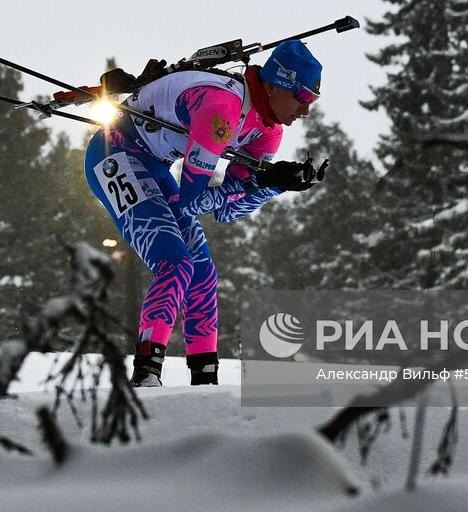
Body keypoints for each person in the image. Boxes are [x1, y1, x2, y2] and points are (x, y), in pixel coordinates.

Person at [83, 38, 327, 387]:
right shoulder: (221, 108)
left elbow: (229, 211)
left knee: (202, 274)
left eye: (312, 102)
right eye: (302, 98)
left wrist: (272, 185)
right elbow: (192, 201)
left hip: (153, 165)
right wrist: (257, 181)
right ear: (275, 86)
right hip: (114, 155)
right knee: (175, 263)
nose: (305, 111)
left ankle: (204, 380)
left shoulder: (267, 132)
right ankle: (146, 373)